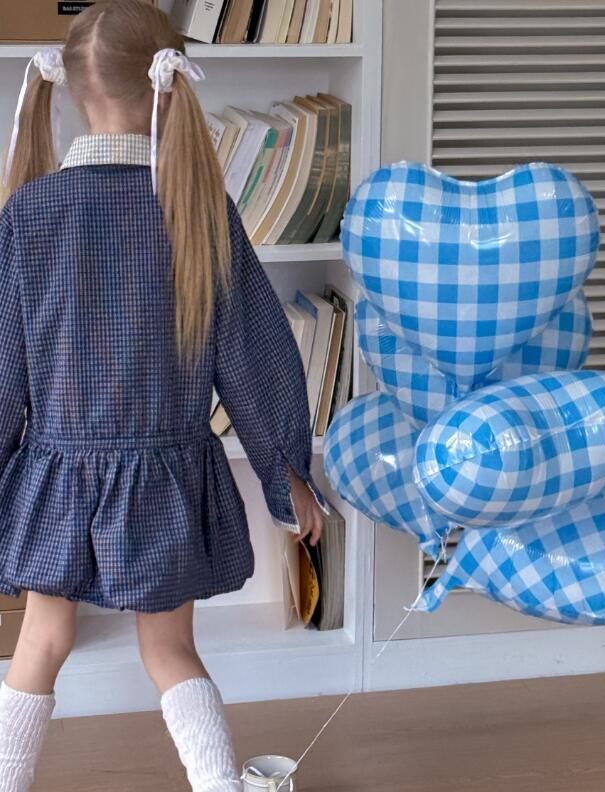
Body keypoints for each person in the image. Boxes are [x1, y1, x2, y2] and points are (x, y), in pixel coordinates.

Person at [0, 0, 328, 789]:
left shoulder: (28, 213)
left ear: (72, 90)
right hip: (166, 483)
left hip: (56, 478)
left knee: (39, 643)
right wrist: (286, 474)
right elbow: (254, 358)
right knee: (171, 649)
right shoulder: (197, 211)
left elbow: (4, 371)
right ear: (169, 86)